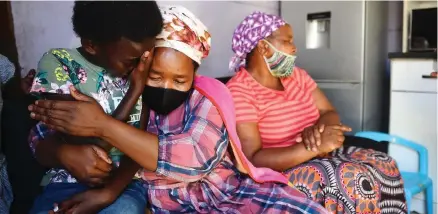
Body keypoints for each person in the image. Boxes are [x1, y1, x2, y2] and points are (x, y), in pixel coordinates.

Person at [28, 6, 330, 214]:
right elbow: (43, 135)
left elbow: (192, 156)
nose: (165, 87)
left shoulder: (207, 98)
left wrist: (102, 125)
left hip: (223, 195)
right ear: (143, 65)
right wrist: (65, 151)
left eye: (180, 80)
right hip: (162, 202)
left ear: (195, 76)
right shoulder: (131, 91)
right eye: (155, 76)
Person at [226, 12, 407, 214]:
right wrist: (311, 147)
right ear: (263, 48)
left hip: (321, 154)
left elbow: (328, 111)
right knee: (354, 179)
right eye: (287, 41)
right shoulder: (240, 90)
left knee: (384, 163)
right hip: (281, 172)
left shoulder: (297, 76)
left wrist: (319, 129)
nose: (294, 48)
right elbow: (253, 158)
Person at [27, 1, 163, 214]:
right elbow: (91, 151)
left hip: (123, 185)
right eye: (133, 59)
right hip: (64, 183)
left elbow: (141, 144)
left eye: (148, 55)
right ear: (91, 44)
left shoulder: (142, 74)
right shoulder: (60, 64)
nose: (142, 66)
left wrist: (108, 193)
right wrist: (133, 94)